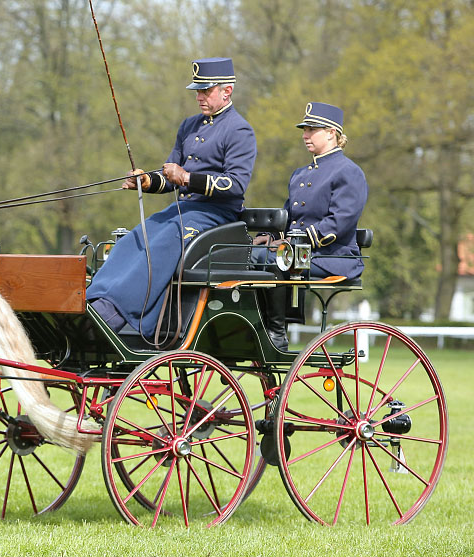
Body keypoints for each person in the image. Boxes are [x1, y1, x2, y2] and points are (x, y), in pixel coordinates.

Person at [87, 57, 256, 339]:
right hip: (183, 209)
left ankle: (117, 312)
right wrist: (146, 180)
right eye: (197, 91)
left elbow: (236, 184)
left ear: (227, 90)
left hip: (216, 216)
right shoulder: (189, 126)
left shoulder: (239, 130)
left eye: (206, 91)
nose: (199, 97)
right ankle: (97, 298)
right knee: (135, 237)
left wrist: (189, 178)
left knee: (166, 240)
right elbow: (168, 176)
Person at [255, 101, 368, 350]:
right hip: (299, 253)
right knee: (250, 256)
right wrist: (269, 234)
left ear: (331, 133)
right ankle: (256, 326)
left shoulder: (348, 172)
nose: (305, 135)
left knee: (274, 260)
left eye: (311, 130)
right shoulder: (300, 174)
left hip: (333, 256)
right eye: (304, 130)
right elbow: (287, 216)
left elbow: (339, 222)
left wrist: (295, 241)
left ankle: (276, 333)